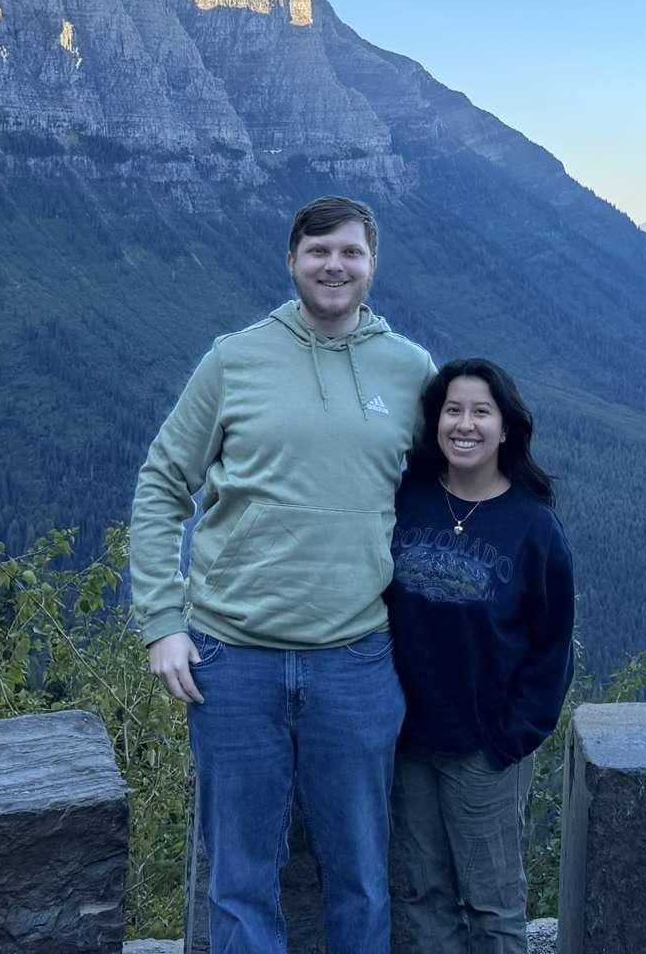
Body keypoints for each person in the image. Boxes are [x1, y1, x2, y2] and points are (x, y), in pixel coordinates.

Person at [129, 195, 435, 954]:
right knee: (239, 877)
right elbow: (162, 485)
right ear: (291, 260)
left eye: (350, 253)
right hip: (232, 660)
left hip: (357, 657)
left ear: (372, 264)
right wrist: (162, 622)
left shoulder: (410, 369)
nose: (334, 266)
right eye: (318, 251)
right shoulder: (233, 359)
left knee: (361, 871)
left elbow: (444, 499)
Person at [385, 357, 575, 954]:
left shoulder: (532, 526)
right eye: (452, 410)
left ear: (506, 428)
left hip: (484, 751)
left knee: (492, 904)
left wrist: (513, 736)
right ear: (434, 421)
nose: (464, 425)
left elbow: (553, 644)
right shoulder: (406, 500)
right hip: (407, 742)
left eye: (480, 412)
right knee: (419, 896)